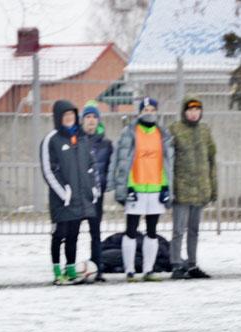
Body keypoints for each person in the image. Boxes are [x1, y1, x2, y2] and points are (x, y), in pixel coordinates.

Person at [109, 97, 174, 281]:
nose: (149, 112)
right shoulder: (130, 133)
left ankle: (148, 270)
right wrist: (125, 186)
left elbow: (167, 163)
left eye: (152, 109)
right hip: (135, 188)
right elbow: (122, 161)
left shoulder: (163, 134)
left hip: (155, 188)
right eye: (145, 109)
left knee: (152, 231)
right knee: (131, 230)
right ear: (139, 112)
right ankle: (129, 270)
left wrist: (165, 187)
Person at [39, 99, 97, 285]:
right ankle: (57, 271)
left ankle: (70, 269)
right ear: (58, 118)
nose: (69, 118)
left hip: (79, 199)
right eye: (65, 115)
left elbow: (90, 167)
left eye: (72, 114)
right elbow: (48, 170)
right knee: (59, 235)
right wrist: (64, 193)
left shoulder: (81, 138)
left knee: (74, 234)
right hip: (61, 201)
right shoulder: (51, 139)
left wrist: (93, 187)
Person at [168, 95, 217, 279]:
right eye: (190, 110)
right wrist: (170, 187)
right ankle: (176, 263)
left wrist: (213, 187)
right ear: (184, 111)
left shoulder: (205, 131)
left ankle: (192, 263)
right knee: (178, 229)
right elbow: (169, 160)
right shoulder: (175, 130)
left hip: (200, 188)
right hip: (181, 188)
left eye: (197, 110)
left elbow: (211, 160)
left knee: (194, 229)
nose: (194, 113)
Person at [79, 100, 113, 282]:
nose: (91, 120)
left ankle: (97, 267)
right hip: (78, 195)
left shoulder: (106, 144)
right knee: (71, 233)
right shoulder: (76, 140)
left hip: (96, 195)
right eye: (88, 117)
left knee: (95, 232)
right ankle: (72, 267)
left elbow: (109, 167)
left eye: (94, 117)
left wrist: (103, 184)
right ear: (82, 120)